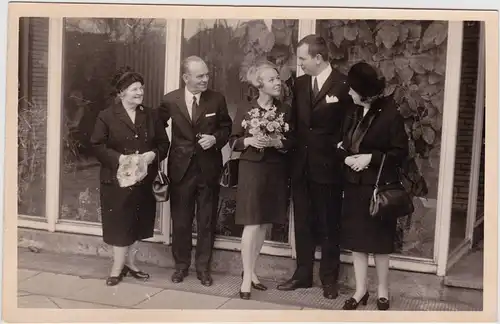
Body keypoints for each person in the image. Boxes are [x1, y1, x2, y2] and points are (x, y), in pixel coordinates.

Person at [277, 34, 352, 300]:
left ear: (318, 58)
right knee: (303, 223)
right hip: (300, 165)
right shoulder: (299, 84)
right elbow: (296, 124)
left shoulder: (343, 85)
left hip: (328, 168)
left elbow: (349, 128)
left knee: (329, 224)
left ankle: (329, 279)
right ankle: (302, 274)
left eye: (303, 59)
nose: (300, 64)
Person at [337, 62, 409, 310]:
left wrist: (371, 158)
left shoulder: (390, 114)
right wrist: (346, 157)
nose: (349, 93)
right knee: (357, 241)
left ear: (363, 92)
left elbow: (400, 152)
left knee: (379, 243)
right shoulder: (354, 111)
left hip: (378, 189)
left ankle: (382, 291)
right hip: (354, 185)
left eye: (352, 89)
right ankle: (360, 290)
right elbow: (343, 143)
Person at [91, 66, 170, 286]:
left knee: (136, 222)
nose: (139, 93)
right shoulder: (106, 116)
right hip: (116, 180)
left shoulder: (151, 115)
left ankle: (132, 263)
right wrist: (120, 159)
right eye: (134, 89)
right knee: (119, 223)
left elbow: (163, 144)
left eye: (141, 89)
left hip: (143, 180)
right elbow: (97, 145)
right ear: (122, 93)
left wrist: (153, 155)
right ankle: (117, 268)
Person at [158, 56, 232, 287]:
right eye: (200, 76)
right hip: (181, 169)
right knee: (180, 221)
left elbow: (226, 127)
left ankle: (203, 268)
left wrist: (216, 139)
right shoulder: (170, 100)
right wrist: (163, 151)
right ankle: (181, 267)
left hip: (208, 169)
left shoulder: (216, 99)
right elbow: (157, 129)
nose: (205, 80)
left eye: (207, 75)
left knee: (206, 221)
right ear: (185, 77)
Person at [229, 61, 294, 300]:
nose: (278, 82)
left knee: (264, 223)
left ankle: (252, 270)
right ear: (259, 84)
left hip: (275, 170)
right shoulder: (245, 108)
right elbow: (233, 140)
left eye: (278, 78)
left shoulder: (285, 109)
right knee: (252, 223)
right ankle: (246, 278)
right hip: (252, 169)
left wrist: (278, 142)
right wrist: (248, 141)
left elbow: (292, 140)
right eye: (271, 79)